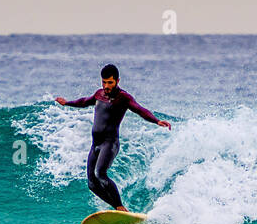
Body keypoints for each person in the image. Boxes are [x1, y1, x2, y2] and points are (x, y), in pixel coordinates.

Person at [54, 64, 170, 211]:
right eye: (104, 82)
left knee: (100, 174)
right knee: (92, 184)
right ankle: (117, 208)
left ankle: (120, 206)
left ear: (117, 81)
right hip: (95, 145)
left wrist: (156, 121)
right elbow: (84, 101)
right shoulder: (99, 94)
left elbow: (140, 110)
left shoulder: (123, 98)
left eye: (110, 82)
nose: (106, 86)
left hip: (110, 144)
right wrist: (67, 103)